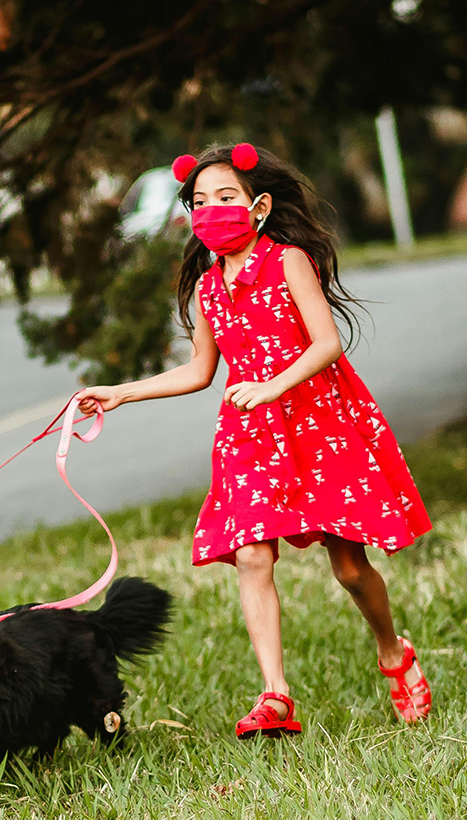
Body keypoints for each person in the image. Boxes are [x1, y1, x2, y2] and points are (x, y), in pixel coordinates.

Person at [77, 143, 433, 738]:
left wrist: (274, 384)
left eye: (226, 198)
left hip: (320, 420)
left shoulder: (288, 261)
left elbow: (326, 344)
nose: (211, 209)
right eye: (198, 202)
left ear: (259, 206)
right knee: (250, 554)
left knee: (348, 567)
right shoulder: (207, 288)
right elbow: (199, 372)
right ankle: (275, 695)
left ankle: (393, 651)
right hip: (251, 434)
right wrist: (122, 392)